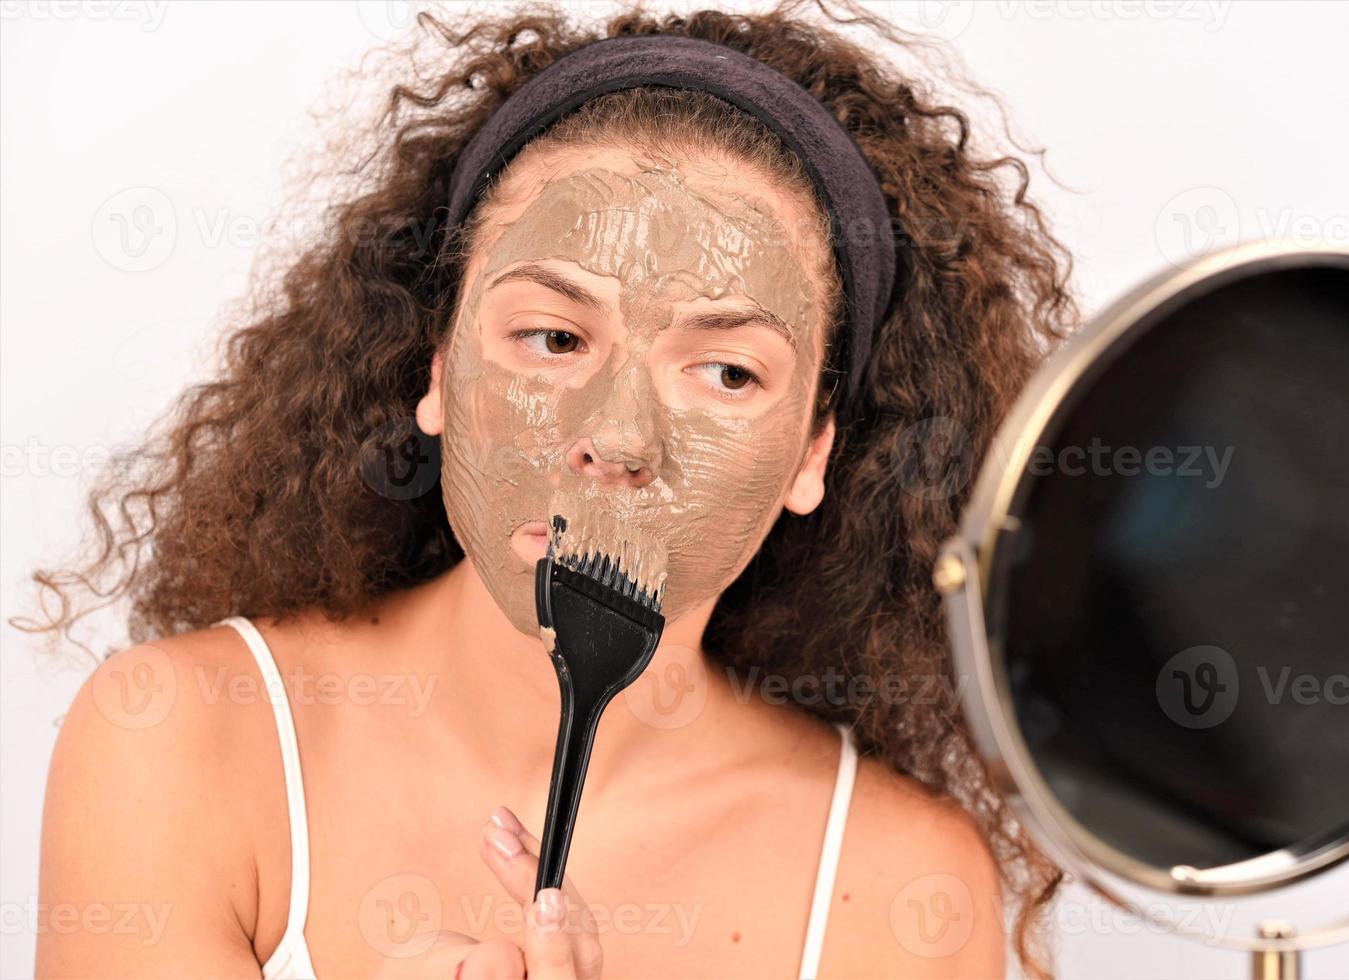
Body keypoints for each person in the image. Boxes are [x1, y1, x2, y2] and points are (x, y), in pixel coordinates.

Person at [24, 2, 1076, 976]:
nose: (616, 437)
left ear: (812, 453)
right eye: (554, 337)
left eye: (725, 371)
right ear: (435, 368)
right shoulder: (183, 740)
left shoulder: (900, 884)